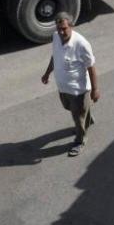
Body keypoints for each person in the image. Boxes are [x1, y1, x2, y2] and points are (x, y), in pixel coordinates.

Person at [41, 13, 100, 156]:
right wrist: (47, 73)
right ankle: (87, 117)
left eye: (64, 29)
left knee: (77, 117)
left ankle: (80, 141)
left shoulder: (81, 44)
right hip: (63, 87)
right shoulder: (56, 37)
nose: (61, 32)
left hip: (78, 91)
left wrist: (95, 89)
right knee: (69, 107)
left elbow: (91, 68)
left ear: (71, 26)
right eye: (59, 28)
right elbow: (55, 56)